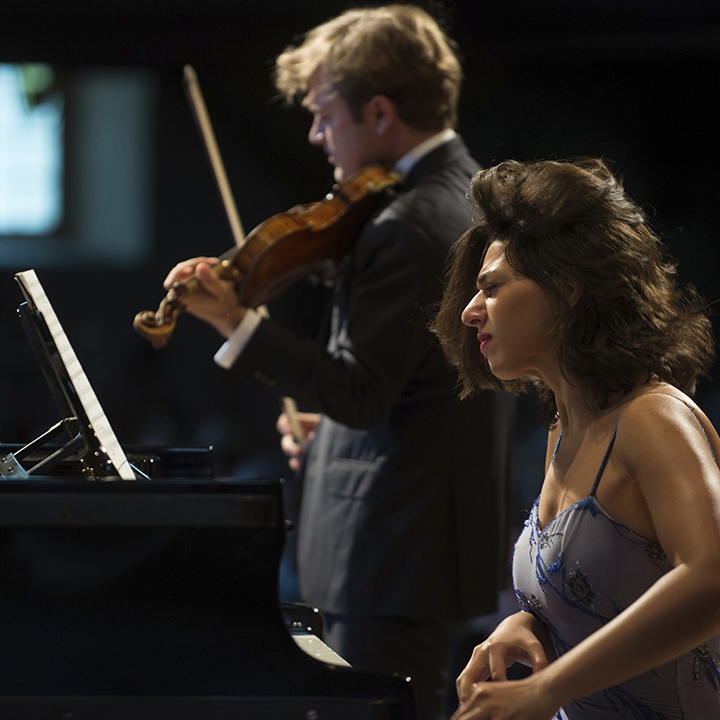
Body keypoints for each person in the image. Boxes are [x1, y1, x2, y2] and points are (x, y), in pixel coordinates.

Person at [161, 5, 516, 719]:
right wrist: (340, 435)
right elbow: (410, 388)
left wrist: (234, 320)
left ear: (379, 112)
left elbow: (358, 392)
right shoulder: (460, 193)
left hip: (393, 557)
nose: (318, 136)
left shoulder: (410, 223)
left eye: (325, 114)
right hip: (412, 544)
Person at [432, 156, 720, 719]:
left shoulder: (652, 418)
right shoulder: (564, 425)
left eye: (491, 288)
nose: (469, 312)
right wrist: (531, 622)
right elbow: (618, 588)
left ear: (565, 293)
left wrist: (548, 688)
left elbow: (711, 577)